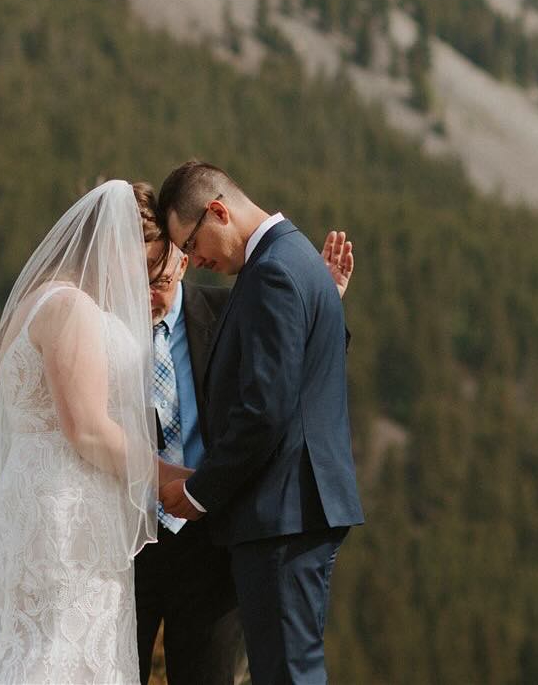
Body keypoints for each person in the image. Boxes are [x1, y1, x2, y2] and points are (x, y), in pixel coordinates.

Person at [0, 178, 174, 684]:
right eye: (143, 263)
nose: (142, 280)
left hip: (40, 493)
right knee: (59, 647)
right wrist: (169, 476)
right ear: (114, 244)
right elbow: (87, 428)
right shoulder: (71, 308)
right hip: (68, 509)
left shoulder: (40, 300)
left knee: (33, 643)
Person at [156, 164, 363, 685]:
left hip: (282, 514)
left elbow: (264, 409)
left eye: (191, 244)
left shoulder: (271, 272)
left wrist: (200, 492)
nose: (195, 261)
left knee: (286, 674)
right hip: (296, 511)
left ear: (218, 211)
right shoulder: (294, 257)